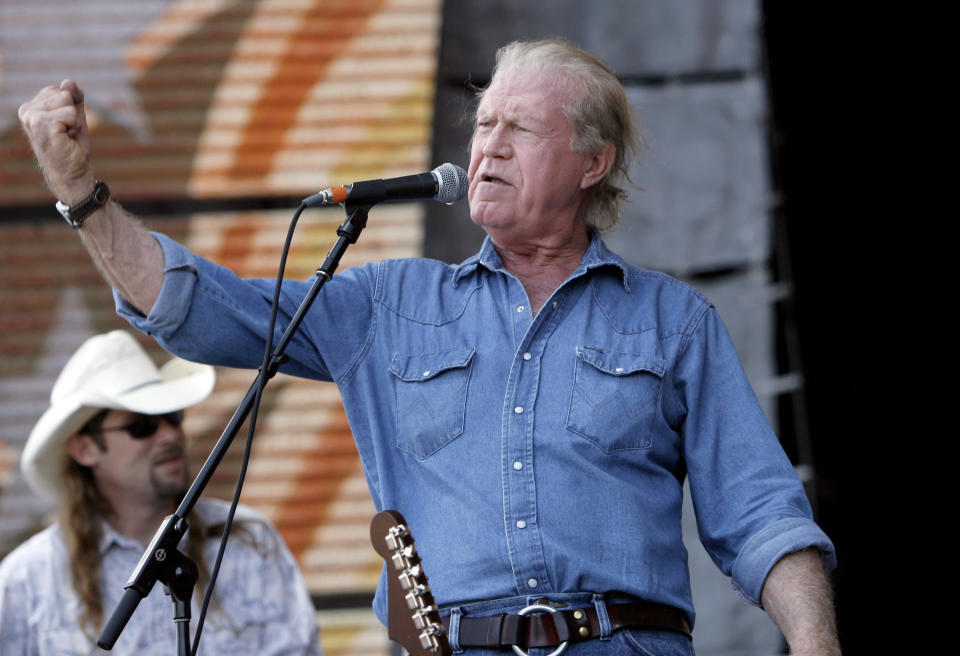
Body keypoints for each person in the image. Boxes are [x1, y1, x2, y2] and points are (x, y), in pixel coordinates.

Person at [18, 39, 840, 655]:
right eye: (484, 124)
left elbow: (763, 515)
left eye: (521, 127)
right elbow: (201, 310)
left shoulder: (674, 322)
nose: (489, 146)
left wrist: (814, 645)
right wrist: (80, 195)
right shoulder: (389, 303)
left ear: (595, 161)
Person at [0, 330, 322, 655]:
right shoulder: (26, 579)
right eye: (142, 426)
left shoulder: (249, 540)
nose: (169, 435)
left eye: (173, 417)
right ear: (84, 449)